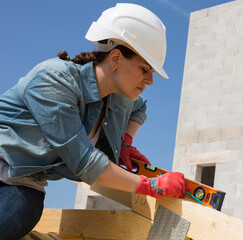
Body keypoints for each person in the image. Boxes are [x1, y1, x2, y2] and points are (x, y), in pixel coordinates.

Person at [0, 3, 190, 239]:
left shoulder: (121, 99)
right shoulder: (55, 80)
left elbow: (140, 109)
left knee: (22, 212)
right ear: (116, 58)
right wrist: (150, 185)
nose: (150, 80)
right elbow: (85, 162)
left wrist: (127, 141)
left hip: (25, 185)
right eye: (145, 69)